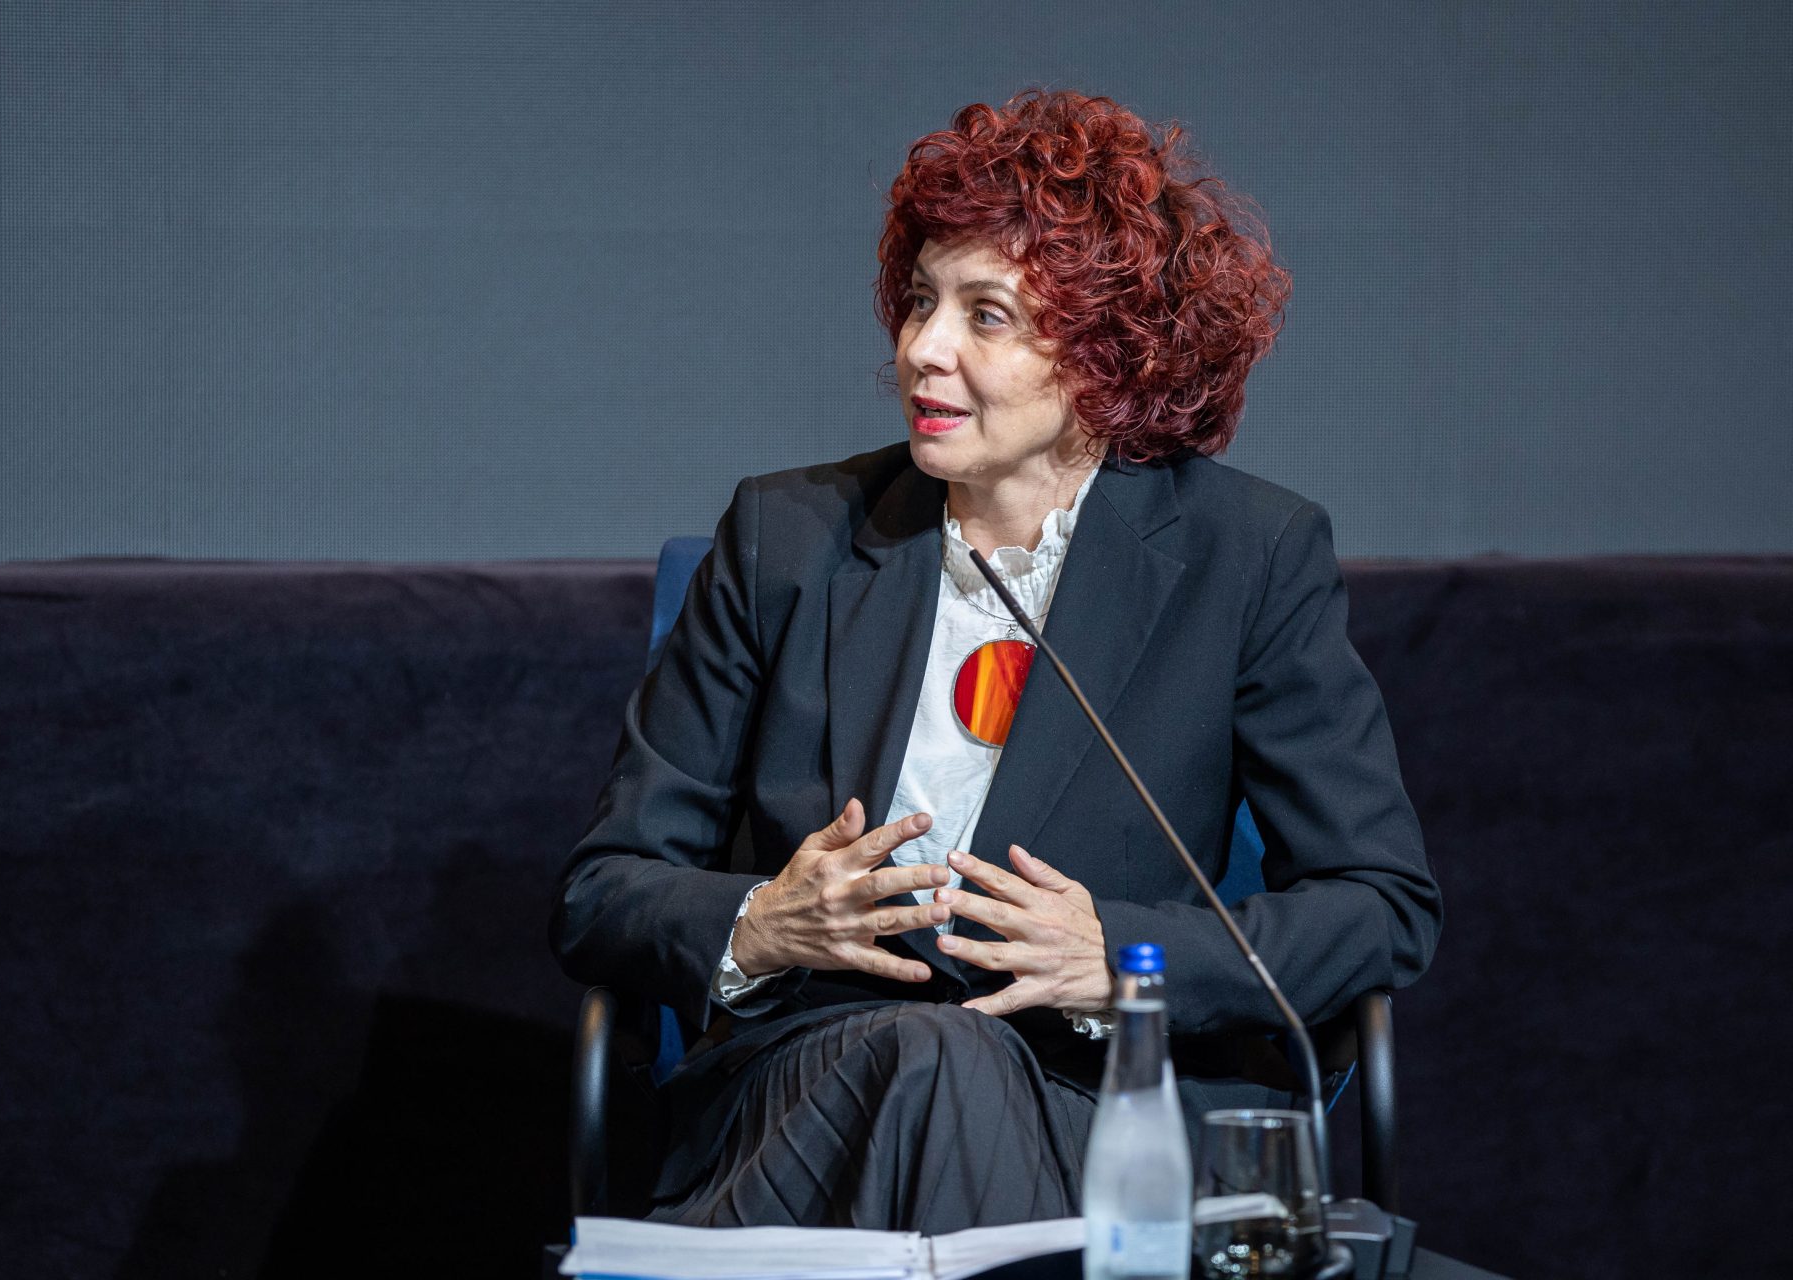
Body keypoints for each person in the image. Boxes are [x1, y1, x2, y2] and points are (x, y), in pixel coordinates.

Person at [549, 88, 1442, 1233]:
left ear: (1107, 350)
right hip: (812, 1098)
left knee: (949, 1063)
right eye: (922, 300)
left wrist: (1123, 955)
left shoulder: (1245, 557)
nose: (922, 348)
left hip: (1095, 1104)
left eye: (988, 315)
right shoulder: (789, 540)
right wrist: (761, 920)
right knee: (930, 1057)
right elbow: (603, 890)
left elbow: (1379, 905)